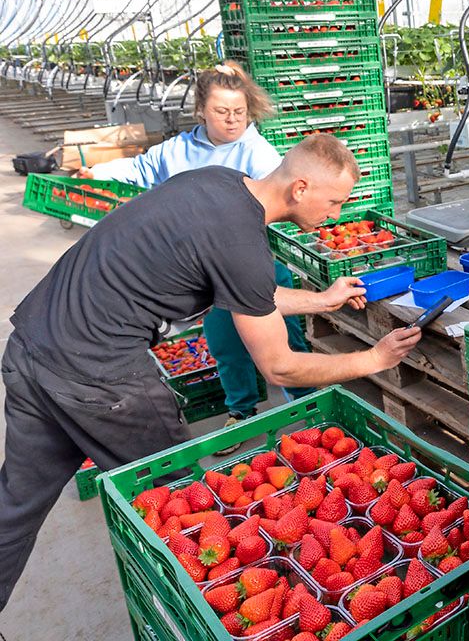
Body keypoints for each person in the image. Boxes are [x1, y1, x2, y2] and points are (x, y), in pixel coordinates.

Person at [0, 134, 422, 611]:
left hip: (34, 344)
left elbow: (248, 294)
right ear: (301, 188)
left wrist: (322, 300)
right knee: (187, 506)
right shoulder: (242, 240)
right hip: (99, 372)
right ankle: (211, 613)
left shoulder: (220, 185)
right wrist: (373, 360)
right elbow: (278, 364)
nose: (338, 215)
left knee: (16, 503)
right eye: (335, 201)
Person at [79, 62, 314, 447]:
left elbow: (282, 197)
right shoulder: (176, 151)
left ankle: (306, 405)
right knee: (225, 342)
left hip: (254, 264)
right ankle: (241, 411)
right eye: (222, 112)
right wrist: (96, 172)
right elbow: (140, 169)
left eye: (240, 112)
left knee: (284, 338)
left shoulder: (256, 150)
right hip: (202, 274)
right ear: (201, 110)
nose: (232, 120)